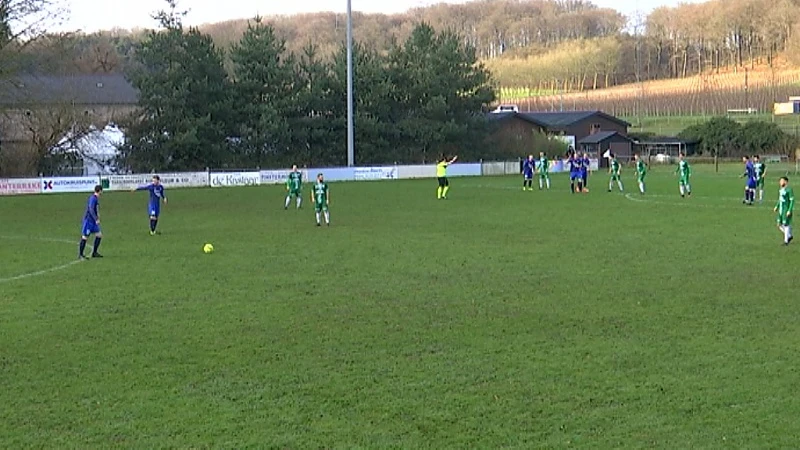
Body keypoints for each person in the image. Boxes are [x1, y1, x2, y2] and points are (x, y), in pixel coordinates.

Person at [79, 185, 104, 259]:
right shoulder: (93, 198)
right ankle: (80, 254)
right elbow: (91, 209)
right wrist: (96, 219)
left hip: (93, 222)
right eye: (102, 191)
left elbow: (95, 209)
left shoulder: (95, 198)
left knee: (99, 235)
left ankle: (94, 253)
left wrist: (97, 215)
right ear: (99, 191)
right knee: (85, 237)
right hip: (88, 221)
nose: (102, 192)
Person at [774, 176, 794, 245]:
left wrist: (789, 210)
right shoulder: (781, 190)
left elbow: (792, 201)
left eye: (781, 181)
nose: (780, 182)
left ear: (785, 182)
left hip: (786, 210)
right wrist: (777, 206)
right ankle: (789, 235)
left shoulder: (789, 190)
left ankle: (786, 241)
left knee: (786, 224)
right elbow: (780, 199)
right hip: (781, 210)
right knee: (778, 225)